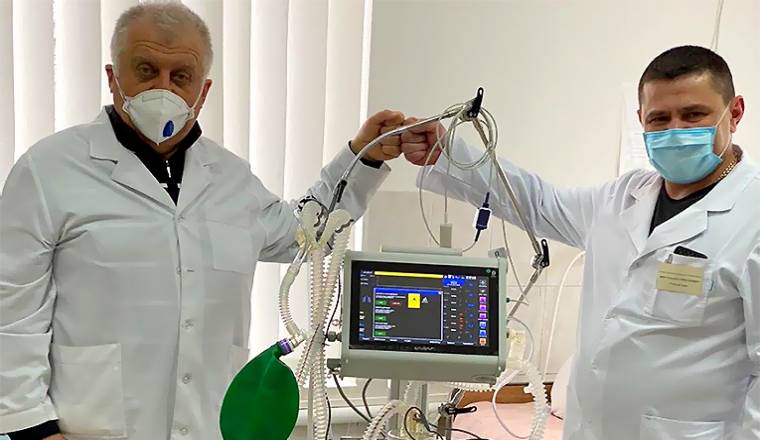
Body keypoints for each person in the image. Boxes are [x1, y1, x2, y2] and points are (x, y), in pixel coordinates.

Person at [0, 2, 405, 439]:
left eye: (181, 76)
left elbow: (309, 233)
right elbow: (11, 312)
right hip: (86, 431)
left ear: (203, 91)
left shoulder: (231, 179)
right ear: (113, 78)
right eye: (146, 70)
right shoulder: (49, 170)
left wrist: (363, 156)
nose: (163, 88)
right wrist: (31, 428)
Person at [401, 46, 759, 439]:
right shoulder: (622, 198)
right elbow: (538, 203)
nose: (675, 131)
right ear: (641, 119)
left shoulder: (752, 216)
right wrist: (446, 154)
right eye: (659, 118)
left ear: (734, 112)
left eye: (693, 115)